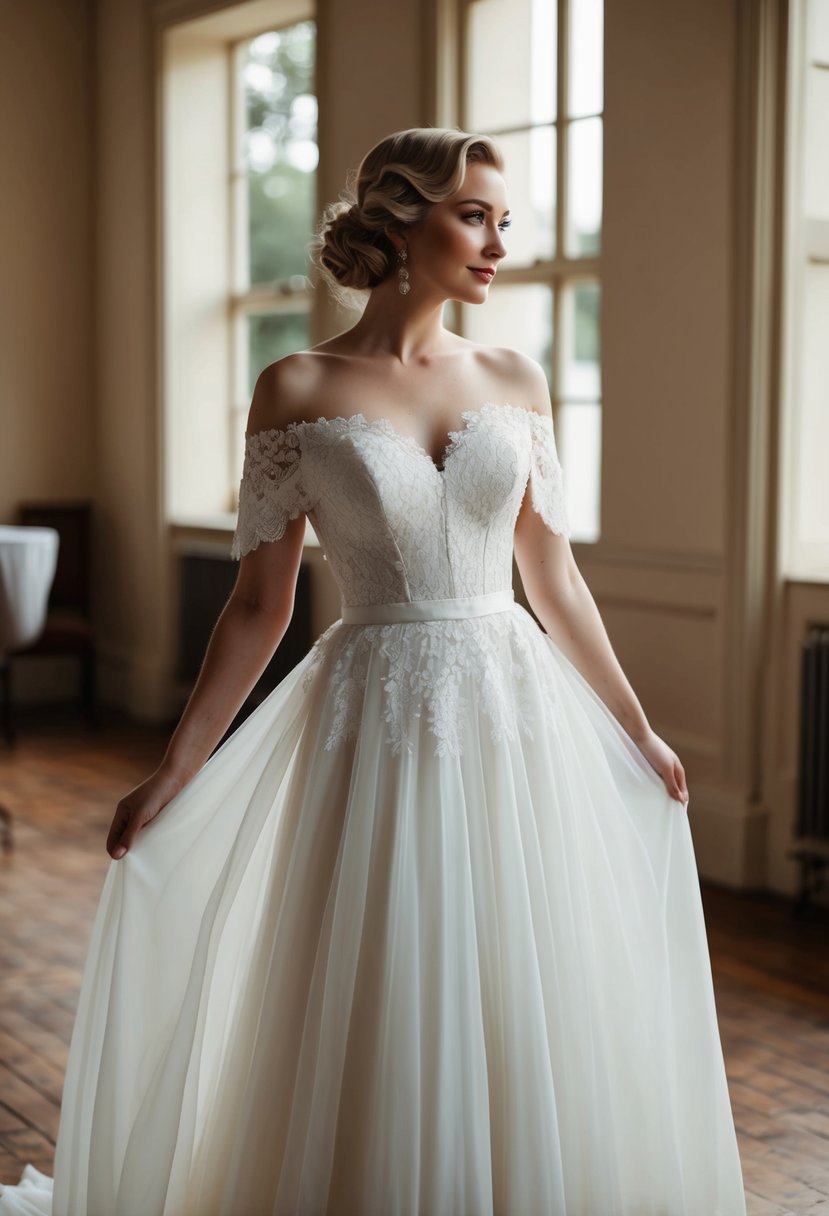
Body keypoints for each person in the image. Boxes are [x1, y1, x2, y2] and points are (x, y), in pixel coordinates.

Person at [0, 127, 747, 1216]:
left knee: (521, 972)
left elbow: (554, 576)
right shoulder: (296, 386)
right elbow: (258, 607)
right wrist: (174, 768)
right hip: (375, 718)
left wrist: (634, 728)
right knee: (385, 978)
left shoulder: (515, 375)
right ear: (401, 221)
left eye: (505, 221)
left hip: (511, 706)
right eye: (474, 216)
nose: (497, 243)